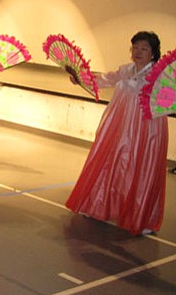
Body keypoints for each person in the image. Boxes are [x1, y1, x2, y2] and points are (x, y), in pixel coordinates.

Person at [65, 31, 168, 236]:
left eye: (144, 48)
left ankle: (142, 216)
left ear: (153, 53)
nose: (138, 52)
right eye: (135, 47)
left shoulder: (158, 75)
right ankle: (98, 205)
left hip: (146, 129)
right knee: (110, 162)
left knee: (142, 167)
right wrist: (80, 78)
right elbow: (102, 80)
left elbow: (166, 101)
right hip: (119, 125)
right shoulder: (126, 69)